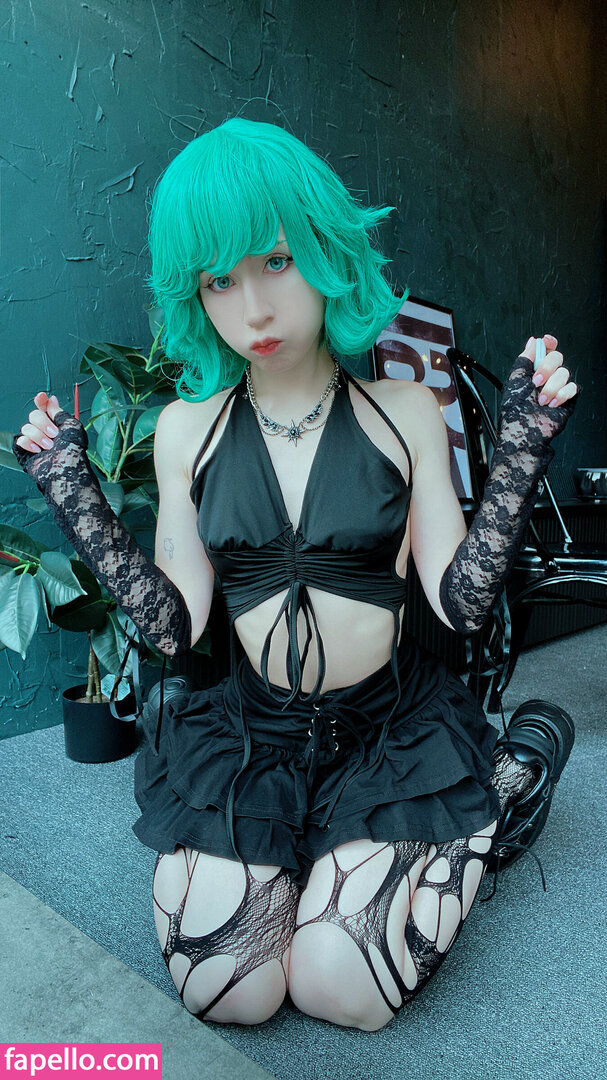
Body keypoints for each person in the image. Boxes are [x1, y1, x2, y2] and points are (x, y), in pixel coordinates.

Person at [14, 117, 578, 1032]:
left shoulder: (405, 410)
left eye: (275, 262)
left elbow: (458, 606)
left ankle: (497, 802)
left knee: (339, 990)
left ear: (322, 249)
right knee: (227, 994)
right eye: (219, 280)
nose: (254, 311)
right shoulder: (187, 431)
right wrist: (74, 494)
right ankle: (330, 848)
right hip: (254, 734)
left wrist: (521, 449)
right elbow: (174, 628)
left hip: (389, 728)